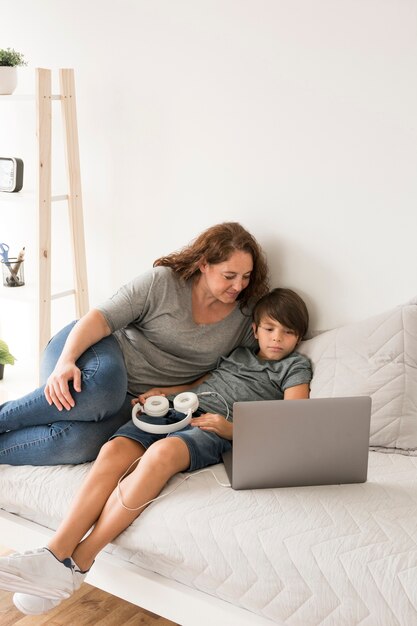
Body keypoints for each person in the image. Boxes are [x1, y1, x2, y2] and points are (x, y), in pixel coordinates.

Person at [0, 287, 312, 615]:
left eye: (288, 332)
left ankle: (79, 562)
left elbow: (289, 426)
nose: (277, 339)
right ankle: (54, 556)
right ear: (255, 330)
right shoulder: (239, 354)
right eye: (270, 329)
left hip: (213, 427)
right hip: (176, 409)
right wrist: (163, 392)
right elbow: (201, 383)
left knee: (159, 456)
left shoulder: (294, 367)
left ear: (299, 338)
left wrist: (229, 429)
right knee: (114, 451)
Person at [0, 222, 269, 466]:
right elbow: (100, 319)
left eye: (246, 276)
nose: (239, 286)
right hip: (91, 352)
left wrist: (173, 392)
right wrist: (65, 362)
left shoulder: (245, 318)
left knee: (80, 443)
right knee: (105, 390)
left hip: (135, 399)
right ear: (204, 264)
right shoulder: (163, 283)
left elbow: (251, 363)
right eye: (229, 275)